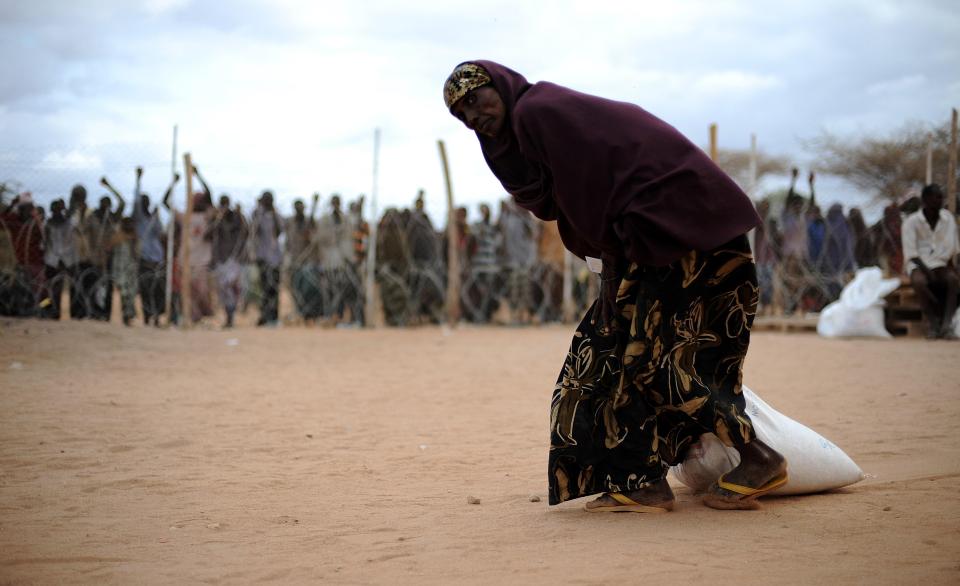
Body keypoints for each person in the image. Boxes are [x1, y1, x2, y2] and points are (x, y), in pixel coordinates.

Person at [444, 60, 786, 511]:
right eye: (461, 114)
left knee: (652, 357)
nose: (473, 116)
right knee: (629, 354)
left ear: (500, 84)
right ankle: (643, 479)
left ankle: (756, 459)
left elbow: (592, 194)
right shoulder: (541, 122)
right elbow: (586, 193)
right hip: (677, 236)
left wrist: (610, 278)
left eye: (475, 98)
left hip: (680, 237)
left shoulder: (536, 112)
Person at [901, 184, 959, 339]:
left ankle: (946, 325)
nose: (940, 200)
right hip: (918, 265)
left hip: (941, 264)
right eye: (937, 197)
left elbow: (953, 248)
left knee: (953, 281)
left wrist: (952, 269)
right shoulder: (911, 222)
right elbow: (911, 253)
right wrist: (928, 272)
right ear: (925, 200)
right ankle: (934, 323)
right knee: (920, 282)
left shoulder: (948, 219)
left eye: (941, 197)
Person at [135, 168, 179, 326]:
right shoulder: (139, 220)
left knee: (158, 290)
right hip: (145, 259)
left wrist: (157, 217)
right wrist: (138, 180)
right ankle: (147, 316)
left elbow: (160, 233)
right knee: (145, 289)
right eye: (143, 202)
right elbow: (135, 201)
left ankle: (156, 317)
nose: (145, 203)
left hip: (157, 259)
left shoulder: (154, 218)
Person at [88, 178, 127, 320]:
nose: (106, 207)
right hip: (96, 256)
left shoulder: (113, 218)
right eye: (103, 204)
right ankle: (94, 312)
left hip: (111, 256)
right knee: (94, 284)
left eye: (108, 204)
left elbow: (122, 202)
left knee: (109, 285)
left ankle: (106, 313)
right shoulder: (92, 218)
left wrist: (109, 186)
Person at [211, 193, 249, 328]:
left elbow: (246, 232)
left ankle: (231, 317)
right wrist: (218, 217)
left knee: (233, 289)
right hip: (221, 259)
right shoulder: (218, 219)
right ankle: (228, 316)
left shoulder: (237, 218)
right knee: (224, 291)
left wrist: (240, 215)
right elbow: (211, 233)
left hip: (234, 259)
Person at [41, 198, 79, 319]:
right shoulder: (47, 225)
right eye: (54, 210)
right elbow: (44, 244)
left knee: (69, 288)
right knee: (49, 289)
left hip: (68, 260)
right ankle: (47, 309)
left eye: (59, 210)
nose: (56, 213)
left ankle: (72, 312)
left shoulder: (69, 223)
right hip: (51, 260)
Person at [285, 194, 321, 322]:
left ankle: (310, 314)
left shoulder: (309, 222)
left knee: (309, 288)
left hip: (307, 261)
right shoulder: (290, 222)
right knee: (296, 288)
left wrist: (315, 205)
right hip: (295, 260)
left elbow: (311, 234)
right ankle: (300, 312)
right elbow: (287, 242)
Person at [252, 190, 283, 326]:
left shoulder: (276, 216)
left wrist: (274, 213)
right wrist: (259, 211)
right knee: (264, 288)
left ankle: (274, 317)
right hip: (263, 257)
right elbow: (254, 230)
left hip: (275, 258)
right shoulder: (257, 215)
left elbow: (279, 231)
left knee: (274, 288)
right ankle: (264, 315)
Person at [110, 217, 138, 326]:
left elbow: (136, 253)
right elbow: (110, 246)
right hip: (120, 269)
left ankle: (129, 315)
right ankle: (126, 315)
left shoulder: (134, 238)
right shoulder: (118, 236)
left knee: (131, 293)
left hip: (131, 269)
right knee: (124, 293)